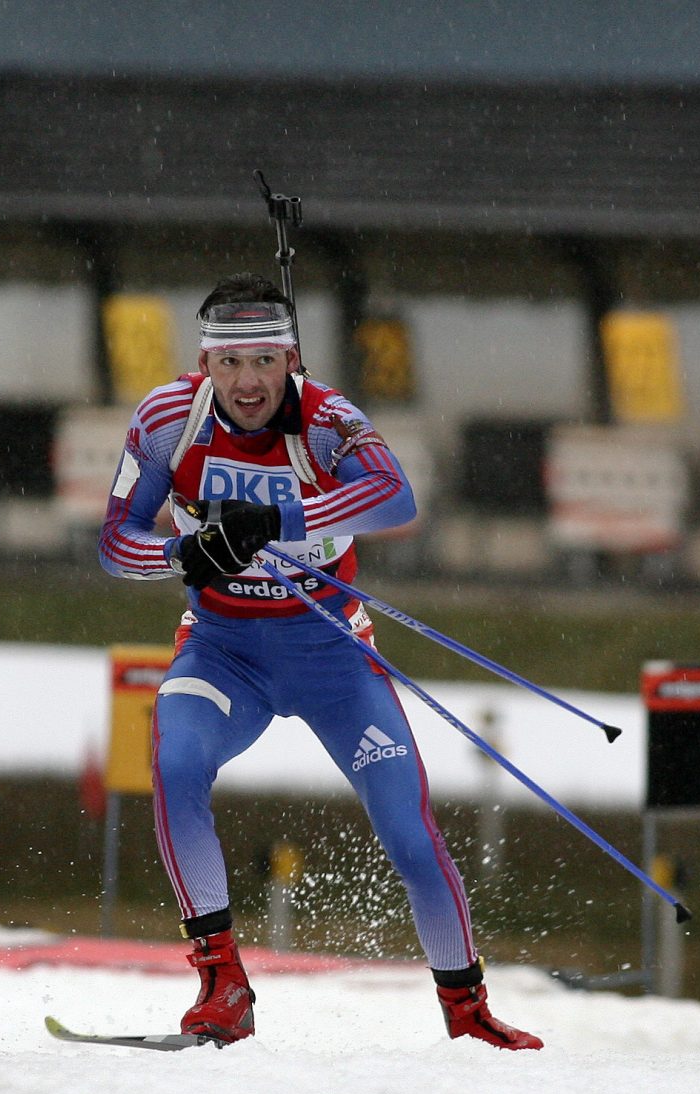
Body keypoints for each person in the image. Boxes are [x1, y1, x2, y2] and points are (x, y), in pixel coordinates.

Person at [97, 273, 541, 1051]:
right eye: (228, 365)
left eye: (264, 362)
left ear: (291, 359)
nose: (246, 383)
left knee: (408, 833)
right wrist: (185, 551)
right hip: (223, 649)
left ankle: (467, 1009)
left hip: (332, 656)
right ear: (206, 365)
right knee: (173, 762)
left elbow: (397, 497)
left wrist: (278, 517)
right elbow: (113, 543)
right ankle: (221, 984)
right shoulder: (169, 417)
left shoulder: (329, 420)